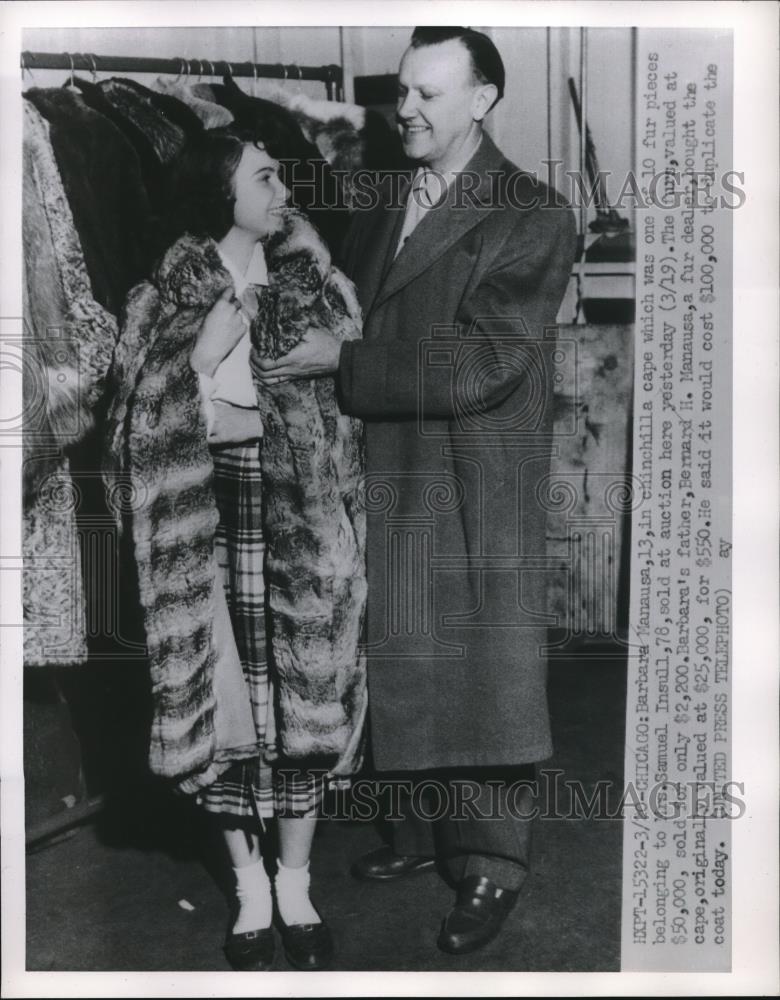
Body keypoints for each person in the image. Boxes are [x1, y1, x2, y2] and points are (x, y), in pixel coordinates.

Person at [255, 26, 578, 956]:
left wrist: (343, 363)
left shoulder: (533, 213)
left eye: (433, 94)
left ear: (483, 100)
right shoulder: (384, 198)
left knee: (481, 676)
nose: (409, 110)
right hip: (388, 469)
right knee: (397, 656)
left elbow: (481, 361)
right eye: (404, 90)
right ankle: (418, 832)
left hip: (472, 478)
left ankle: (489, 867)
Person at [105, 125, 362, 972]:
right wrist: (200, 368)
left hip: (301, 523)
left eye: (281, 174)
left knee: (303, 705)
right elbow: (128, 440)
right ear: (222, 190)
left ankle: (296, 880)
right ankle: (248, 885)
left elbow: (348, 416)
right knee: (225, 708)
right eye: (264, 175)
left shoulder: (316, 286)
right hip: (208, 526)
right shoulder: (162, 301)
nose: (282, 187)